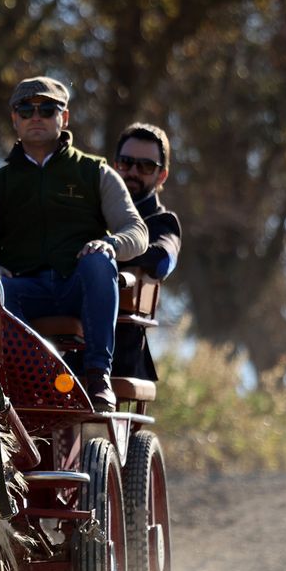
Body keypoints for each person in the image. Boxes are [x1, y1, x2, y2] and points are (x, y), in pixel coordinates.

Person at [0, 76, 148, 410]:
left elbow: (137, 232)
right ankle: (28, 382)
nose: (36, 116)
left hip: (80, 288)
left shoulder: (96, 172)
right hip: (24, 290)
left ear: (65, 117)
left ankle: (97, 377)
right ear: (14, 119)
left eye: (47, 109)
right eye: (26, 109)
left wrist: (111, 244)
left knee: (100, 261)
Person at [108, 122, 181, 381]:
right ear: (115, 164)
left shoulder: (162, 223)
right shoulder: (94, 214)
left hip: (119, 353)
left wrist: (108, 249)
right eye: (126, 163)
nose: (133, 172)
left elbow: (163, 260)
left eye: (146, 166)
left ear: (162, 175)